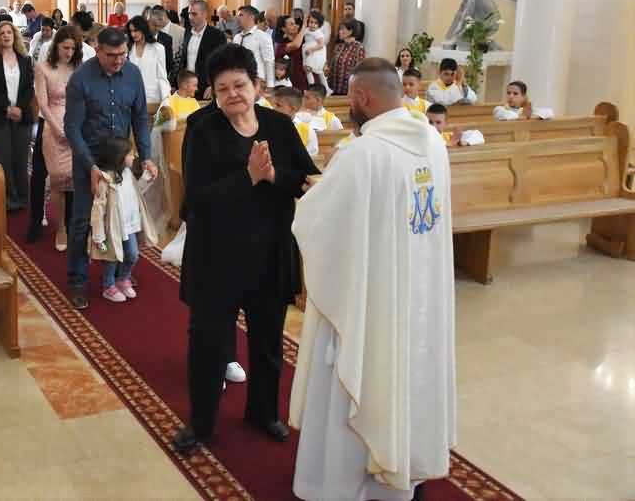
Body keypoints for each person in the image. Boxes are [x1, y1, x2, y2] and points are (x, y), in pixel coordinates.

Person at [289, 57, 456, 500]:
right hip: (418, 295)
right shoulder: (432, 141)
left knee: (364, 376)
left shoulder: (362, 153)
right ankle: (405, 468)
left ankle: (349, 486)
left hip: (371, 300)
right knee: (408, 377)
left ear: (362, 97)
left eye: (351, 99)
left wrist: (310, 195)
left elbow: (319, 223)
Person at [172, 43, 318, 456]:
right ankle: (201, 423)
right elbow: (195, 199)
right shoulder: (202, 128)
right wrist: (248, 178)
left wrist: (272, 176)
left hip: (269, 253)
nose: (232, 94)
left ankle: (263, 412)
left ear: (257, 85)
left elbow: (304, 179)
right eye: (222, 88)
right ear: (213, 93)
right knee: (208, 344)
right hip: (217, 256)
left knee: (268, 341)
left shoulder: (279, 126)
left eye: (239, 85)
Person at [64, 27, 156, 309]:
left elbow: (140, 118)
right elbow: (72, 128)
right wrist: (90, 166)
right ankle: (78, 280)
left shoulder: (133, 75)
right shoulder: (81, 79)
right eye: (112, 55)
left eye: (123, 54)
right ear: (98, 50)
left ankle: (117, 274)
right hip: (89, 158)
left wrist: (146, 156)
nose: (118, 60)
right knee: (84, 220)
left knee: (121, 217)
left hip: (120, 159)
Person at [32, 26, 83, 248]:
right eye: (65, 47)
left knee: (76, 179)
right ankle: (60, 227)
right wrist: (57, 129)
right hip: (53, 127)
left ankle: (74, 227)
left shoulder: (80, 68)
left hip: (77, 126)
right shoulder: (43, 67)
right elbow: (42, 103)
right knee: (58, 179)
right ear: (56, 46)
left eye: (73, 48)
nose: (69, 52)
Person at [90, 136, 157, 303]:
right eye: (130, 154)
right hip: (112, 229)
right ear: (119, 157)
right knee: (111, 257)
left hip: (129, 226)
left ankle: (123, 278)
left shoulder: (128, 174)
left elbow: (136, 192)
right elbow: (98, 209)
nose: (134, 156)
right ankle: (108, 286)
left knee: (132, 254)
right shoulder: (106, 179)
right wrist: (98, 236)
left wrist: (146, 179)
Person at [0, 21, 34, 211]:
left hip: (22, 115)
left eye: (9, 32)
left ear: (15, 36)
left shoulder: (25, 59)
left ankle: (23, 197)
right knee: (4, 159)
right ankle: (9, 198)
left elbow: (28, 88)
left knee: (21, 158)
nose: (6, 36)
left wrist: (19, 108)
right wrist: (7, 108)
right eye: (2, 33)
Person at [178, 0, 226, 99]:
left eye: (194, 14)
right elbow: (184, 60)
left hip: (205, 88)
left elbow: (222, 63)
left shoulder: (217, 35)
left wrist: (213, 85)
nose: (190, 17)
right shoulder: (187, 33)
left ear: (204, 14)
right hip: (186, 87)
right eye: (189, 14)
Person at [126, 16, 170, 105]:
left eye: (136, 30)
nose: (133, 34)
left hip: (152, 98)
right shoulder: (128, 49)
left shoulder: (158, 48)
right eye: (131, 31)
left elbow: (162, 76)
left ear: (143, 29)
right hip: (132, 98)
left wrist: (166, 100)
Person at [271, 87, 320, 157]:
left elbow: (311, 158)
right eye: (274, 105)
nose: (273, 109)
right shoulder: (267, 126)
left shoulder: (307, 131)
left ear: (293, 109)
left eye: (278, 105)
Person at [233, 5, 275, 87]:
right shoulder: (237, 37)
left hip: (256, 81)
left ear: (251, 17)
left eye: (241, 15)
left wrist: (270, 85)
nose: (237, 18)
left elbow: (269, 61)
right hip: (238, 80)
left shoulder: (262, 36)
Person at [327, 19, 366, 97]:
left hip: (347, 92)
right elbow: (332, 65)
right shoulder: (339, 46)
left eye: (342, 29)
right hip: (332, 89)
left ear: (350, 31)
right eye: (340, 29)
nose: (339, 32)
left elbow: (360, 72)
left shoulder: (359, 48)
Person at [275, 15, 306, 90]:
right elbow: (296, 45)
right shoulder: (281, 45)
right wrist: (304, 27)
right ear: (283, 29)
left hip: (307, 79)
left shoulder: (304, 40)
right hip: (291, 83)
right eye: (291, 24)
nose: (295, 26)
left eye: (295, 23)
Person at [303, 10, 329, 90]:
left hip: (315, 53)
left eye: (316, 23)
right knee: (308, 71)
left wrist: (311, 49)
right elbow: (301, 34)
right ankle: (312, 87)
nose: (313, 25)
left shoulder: (318, 33)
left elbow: (321, 45)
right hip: (309, 53)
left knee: (319, 71)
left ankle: (326, 88)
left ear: (319, 24)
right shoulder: (307, 30)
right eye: (311, 22)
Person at [148, 8, 175, 77]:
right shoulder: (142, 37)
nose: (157, 29)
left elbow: (169, 63)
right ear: (148, 23)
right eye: (154, 25)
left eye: (159, 26)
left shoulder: (167, 39)